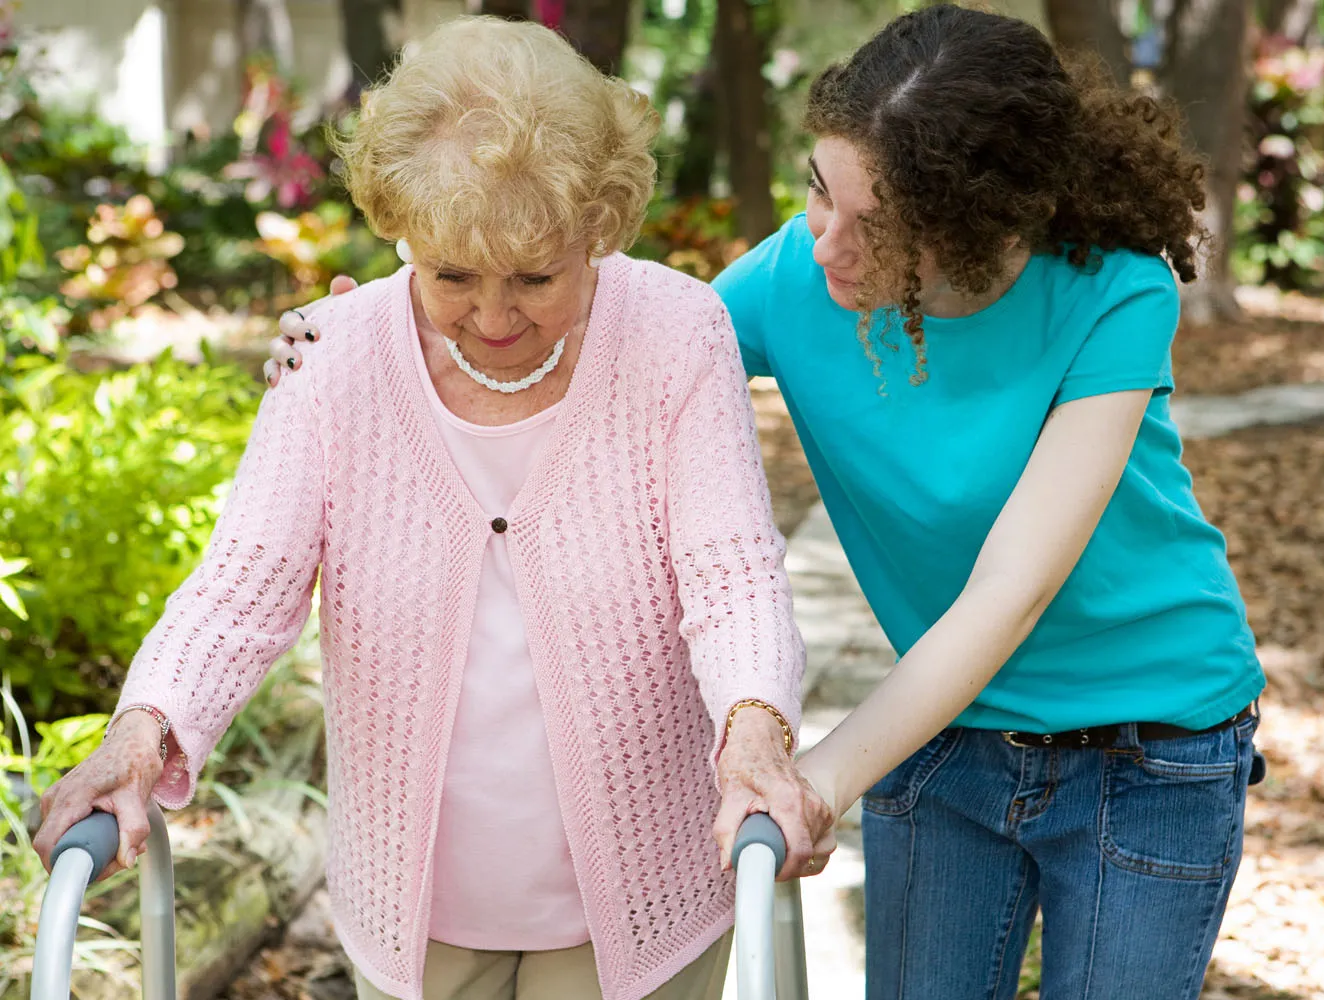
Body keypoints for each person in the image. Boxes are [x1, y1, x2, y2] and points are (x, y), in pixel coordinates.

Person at [271, 6, 1271, 998]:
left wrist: (815, 775)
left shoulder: (1114, 292)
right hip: (943, 735)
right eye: (816, 194)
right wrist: (384, 336)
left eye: (874, 226)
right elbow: (627, 342)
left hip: (1152, 748)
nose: (825, 241)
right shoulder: (800, 273)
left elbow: (1011, 590)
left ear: (971, 233)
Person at [34, 18, 835, 1000]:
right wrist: (141, 731)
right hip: (416, 924)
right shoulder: (332, 360)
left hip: (640, 907)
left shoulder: (677, 336)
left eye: (536, 277)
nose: (494, 319)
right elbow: (239, 592)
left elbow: (730, 571)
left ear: (600, 224)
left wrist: (755, 736)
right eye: (451, 273)